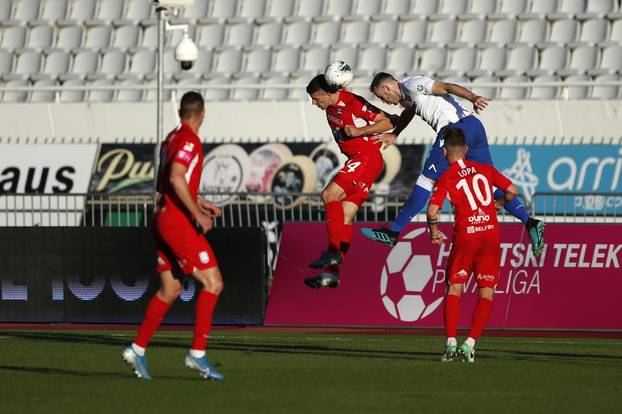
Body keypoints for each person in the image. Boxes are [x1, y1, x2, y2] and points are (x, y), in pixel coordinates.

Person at [360, 72, 545, 256]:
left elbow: (446, 86)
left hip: (455, 130)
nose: (384, 101)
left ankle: (393, 231)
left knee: (426, 180)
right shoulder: (407, 95)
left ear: (387, 88)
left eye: (381, 97)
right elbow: (410, 110)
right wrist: (396, 133)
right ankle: (530, 222)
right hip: (473, 126)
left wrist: (473, 97)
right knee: (485, 183)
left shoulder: (412, 84)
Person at [122, 91, 224, 380]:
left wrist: (200, 202)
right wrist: (196, 213)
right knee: (213, 283)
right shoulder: (189, 140)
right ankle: (198, 354)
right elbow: (176, 177)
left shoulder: (170, 139)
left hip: (162, 216)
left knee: (170, 289)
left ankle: (137, 349)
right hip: (176, 221)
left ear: (181, 112)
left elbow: (165, 183)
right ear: (202, 113)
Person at [427, 128, 519, 362]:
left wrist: (434, 232)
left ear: (445, 151)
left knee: (454, 287)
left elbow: (432, 211)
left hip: (466, 235)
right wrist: (498, 203)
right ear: (466, 150)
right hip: (490, 234)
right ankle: (470, 343)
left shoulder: (446, 177)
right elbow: (512, 191)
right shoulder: (484, 169)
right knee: (486, 291)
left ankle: (450, 342)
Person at [304, 74, 394, 289]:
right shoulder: (330, 107)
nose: (314, 103)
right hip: (358, 160)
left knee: (329, 195)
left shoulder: (351, 101)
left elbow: (388, 121)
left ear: (327, 93)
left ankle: (333, 253)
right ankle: (332, 274)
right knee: (343, 217)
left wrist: (360, 131)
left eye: (316, 98)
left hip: (366, 157)